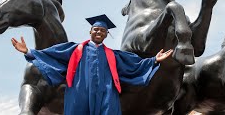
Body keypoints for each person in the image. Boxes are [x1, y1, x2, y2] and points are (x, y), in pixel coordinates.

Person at [11, 14, 173, 115]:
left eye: (102, 31)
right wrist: (28, 51)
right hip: (79, 94)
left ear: (106, 35)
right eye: (96, 29)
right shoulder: (75, 49)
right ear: (90, 31)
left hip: (106, 96)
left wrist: (154, 60)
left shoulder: (113, 55)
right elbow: (52, 55)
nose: (98, 32)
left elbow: (134, 64)